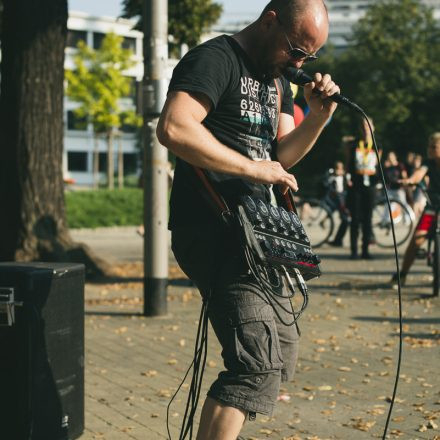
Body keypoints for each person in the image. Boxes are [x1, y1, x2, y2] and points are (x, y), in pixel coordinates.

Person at [156, 1, 341, 438]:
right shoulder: (215, 60)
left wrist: (318, 117)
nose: (300, 63)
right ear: (269, 20)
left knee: (281, 357)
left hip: (259, 234)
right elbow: (175, 128)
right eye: (296, 50)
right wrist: (250, 168)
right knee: (254, 366)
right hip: (213, 229)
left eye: (308, 58)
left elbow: (280, 156)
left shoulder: (278, 79)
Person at [391, 133, 440, 287]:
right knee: (417, 238)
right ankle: (402, 274)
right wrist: (410, 181)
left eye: (434, 146)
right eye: (429, 146)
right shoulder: (428, 163)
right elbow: (419, 174)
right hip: (432, 207)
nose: (430, 149)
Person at [345, 117, 379, 260]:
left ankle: (365, 250)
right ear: (360, 128)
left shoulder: (377, 145)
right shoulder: (353, 144)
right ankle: (354, 251)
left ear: (373, 127)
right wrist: (348, 178)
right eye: (363, 125)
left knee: (368, 218)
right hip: (356, 185)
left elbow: (378, 164)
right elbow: (347, 163)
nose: (366, 128)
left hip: (370, 185)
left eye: (368, 125)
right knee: (355, 219)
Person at [327, 161, 350, 247]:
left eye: (341, 168)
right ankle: (338, 240)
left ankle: (338, 240)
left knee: (345, 219)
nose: (339, 170)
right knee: (344, 219)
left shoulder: (345, 176)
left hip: (344, 198)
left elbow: (348, 184)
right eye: (337, 168)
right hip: (337, 198)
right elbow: (329, 185)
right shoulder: (333, 177)